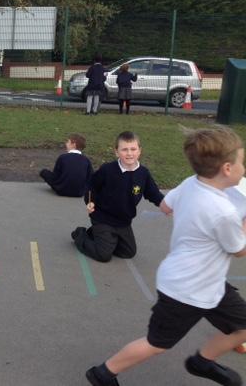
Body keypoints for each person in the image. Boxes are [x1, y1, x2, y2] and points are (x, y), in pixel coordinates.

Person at [85, 126, 246, 386]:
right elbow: (239, 249)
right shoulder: (224, 213)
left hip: (211, 284)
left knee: (243, 326)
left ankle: (202, 361)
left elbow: (166, 205)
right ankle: (103, 373)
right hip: (185, 289)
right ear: (227, 169)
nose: (244, 168)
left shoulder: (192, 183)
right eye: (242, 162)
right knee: (156, 344)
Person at [71, 131, 164, 263]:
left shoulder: (143, 173)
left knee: (129, 252)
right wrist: (90, 201)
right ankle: (81, 235)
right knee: (103, 255)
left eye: (133, 149)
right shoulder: (107, 170)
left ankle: (97, 235)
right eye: (124, 149)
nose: (129, 153)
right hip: (103, 217)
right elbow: (91, 185)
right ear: (116, 152)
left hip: (123, 221)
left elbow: (153, 193)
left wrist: (166, 205)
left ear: (139, 151)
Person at [39, 133, 93, 197]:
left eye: (68, 142)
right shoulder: (86, 160)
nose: (66, 144)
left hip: (61, 190)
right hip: (79, 192)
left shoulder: (63, 157)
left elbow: (56, 176)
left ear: (74, 144)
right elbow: (90, 177)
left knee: (44, 172)